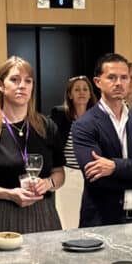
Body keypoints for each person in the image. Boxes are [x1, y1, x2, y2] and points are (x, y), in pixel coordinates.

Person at [0, 56, 64, 234]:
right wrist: (8, 194)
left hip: (42, 215)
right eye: (14, 80)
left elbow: (59, 172)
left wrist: (48, 183)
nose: (22, 86)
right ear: (1, 85)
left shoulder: (47, 127)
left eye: (28, 81)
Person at [72, 53, 132, 227]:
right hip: (103, 222)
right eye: (112, 77)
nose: (119, 83)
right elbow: (97, 177)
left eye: (124, 77)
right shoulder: (84, 124)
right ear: (98, 82)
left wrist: (114, 166)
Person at [49, 75, 97, 229]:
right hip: (68, 175)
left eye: (85, 89)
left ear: (90, 93)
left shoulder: (98, 117)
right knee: (68, 223)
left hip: (91, 175)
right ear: (70, 94)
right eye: (76, 89)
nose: (81, 92)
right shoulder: (60, 114)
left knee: (91, 222)